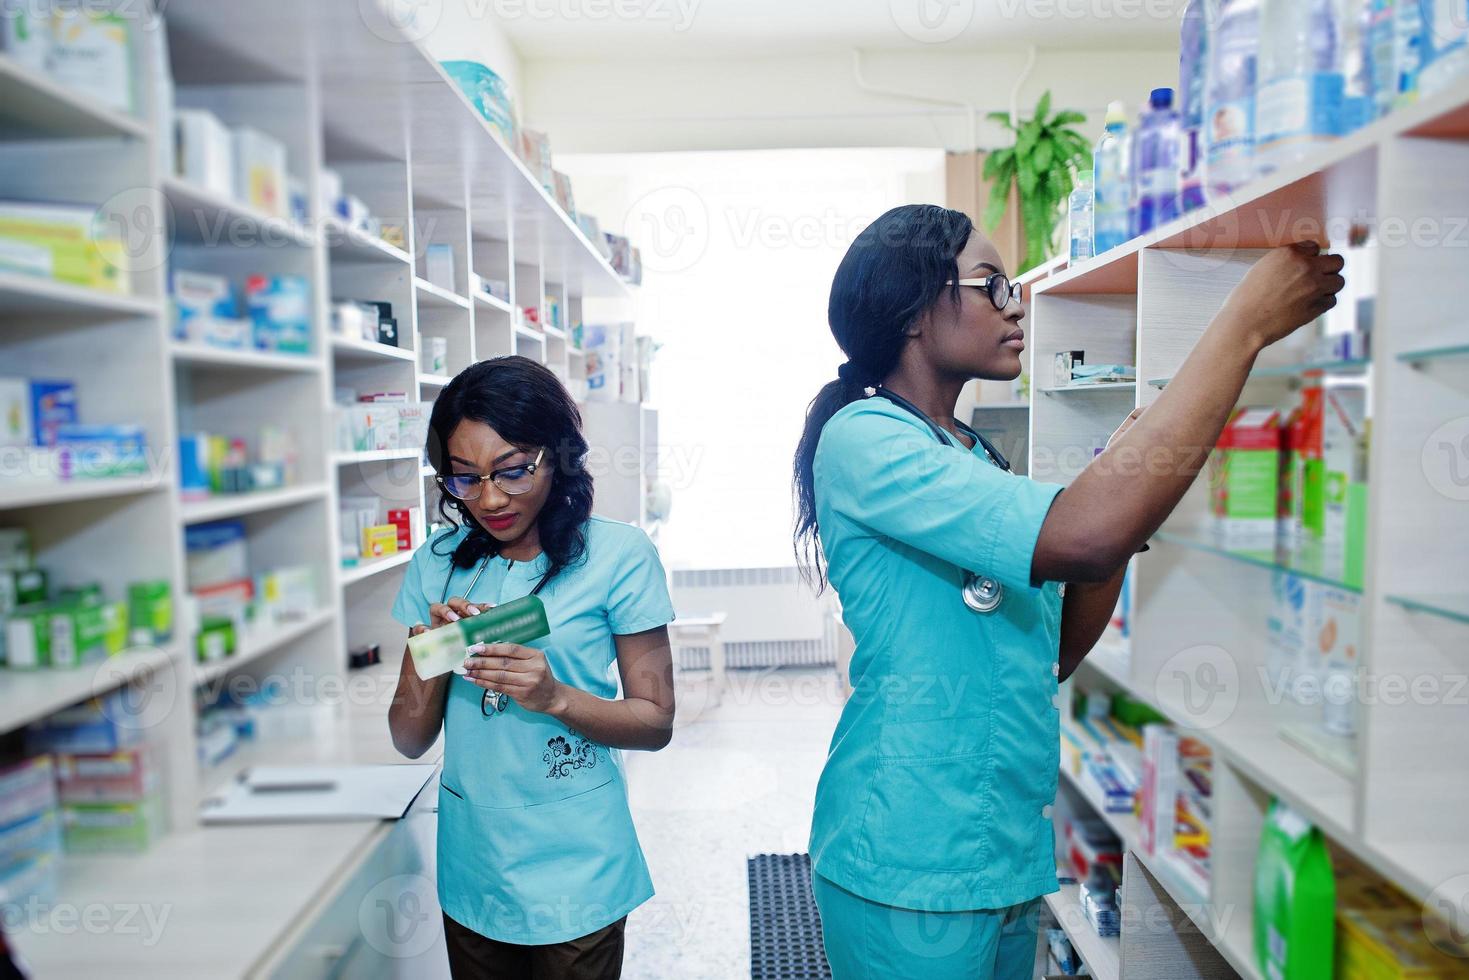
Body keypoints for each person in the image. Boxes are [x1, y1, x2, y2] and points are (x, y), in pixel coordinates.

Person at [791, 204, 1343, 979]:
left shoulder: (970, 450)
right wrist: (1241, 324)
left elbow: (1047, 652)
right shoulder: (866, 436)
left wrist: (1120, 510)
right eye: (991, 284)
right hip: (910, 850)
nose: (1015, 303)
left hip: (999, 847)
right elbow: (1083, 535)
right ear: (913, 310)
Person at [388, 356, 676, 980]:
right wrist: (427, 656)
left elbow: (655, 722)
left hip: (578, 861)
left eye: (513, 471)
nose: (490, 499)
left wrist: (553, 696)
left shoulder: (619, 556)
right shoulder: (437, 562)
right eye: (464, 479)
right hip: (475, 860)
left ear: (560, 455)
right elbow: (408, 740)